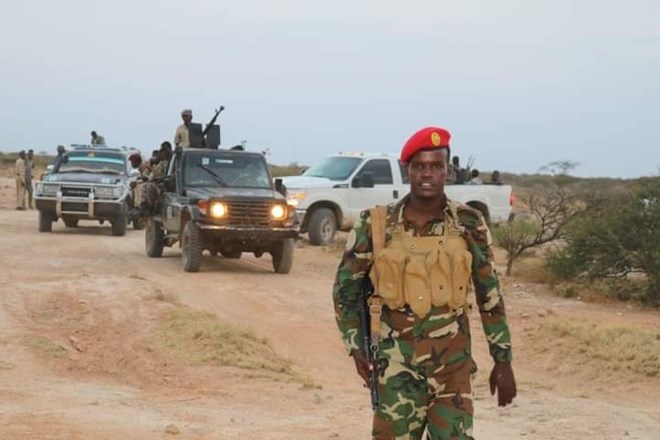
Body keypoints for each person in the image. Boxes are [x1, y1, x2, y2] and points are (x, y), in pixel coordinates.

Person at [333, 127, 516, 440]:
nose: (427, 174)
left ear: (448, 171)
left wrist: (503, 360)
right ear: (408, 170)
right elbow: (345, 292)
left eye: (436, 166)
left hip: (453, 370)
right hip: (395, 368)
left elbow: (490, 295)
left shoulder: (468, 222)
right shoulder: (375, 224)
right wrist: (356, 348)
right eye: (419, 166)